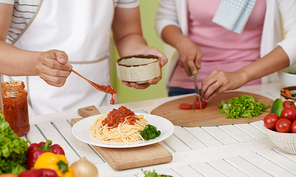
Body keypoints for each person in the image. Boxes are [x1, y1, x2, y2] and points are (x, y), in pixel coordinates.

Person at [0, 0, 168, 115]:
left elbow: (128, 34)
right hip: (30, 109)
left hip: (100, 105)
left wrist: (141, 58)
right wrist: (38, 63)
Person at [155, 0, 296, 102]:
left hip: (254, 86)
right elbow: (166, 17)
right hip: (188, 86)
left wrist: (241, 75)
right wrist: (181, 42)